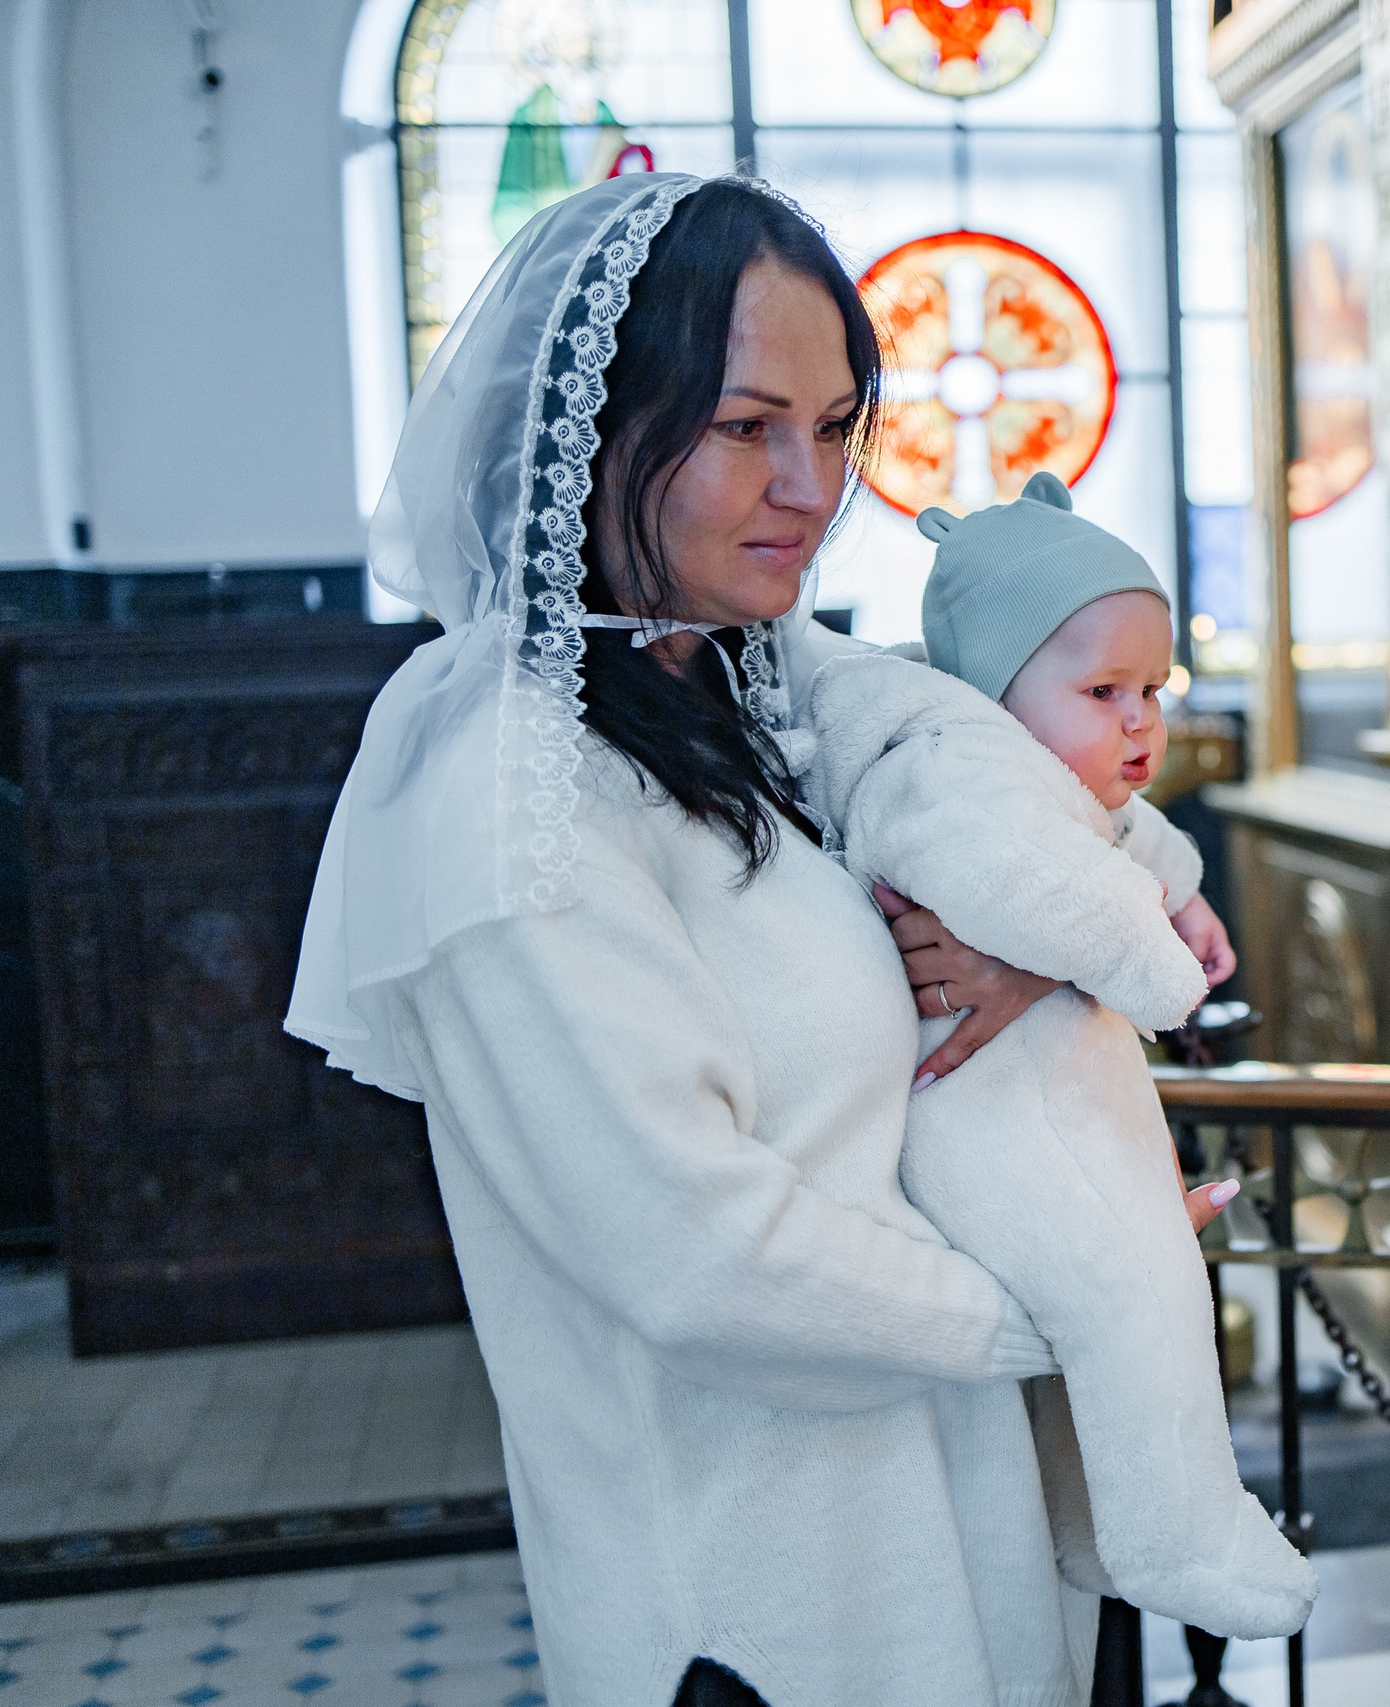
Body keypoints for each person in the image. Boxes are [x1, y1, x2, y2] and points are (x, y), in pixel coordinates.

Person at [286, 173, 1229, 1707]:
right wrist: (1080, 1300)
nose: (814, 481)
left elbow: (1029, 813)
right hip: (760, 1577)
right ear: (599, 427)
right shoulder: (509, 783)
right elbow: (694, 1248)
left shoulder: (755, 685)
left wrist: (1039, 947)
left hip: (953, 1502)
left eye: (841, 423)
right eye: (746, 427)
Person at [787, 474, 1313, 1639]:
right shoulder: (950, 768)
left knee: (1109, 1319)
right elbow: (1049, 893)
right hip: (988, 1123)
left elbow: (1128, 841)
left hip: (1058, 1114)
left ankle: (1088, 1522)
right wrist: (1159, 969)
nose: (1141, 724)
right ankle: (1186, 1535)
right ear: (993, 691)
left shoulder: (1049, 775)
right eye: (1103, 690)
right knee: (1132, 1293)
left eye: (1153, 691)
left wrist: (1182, 899)